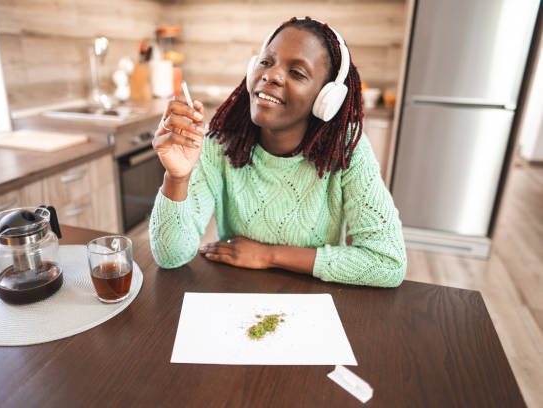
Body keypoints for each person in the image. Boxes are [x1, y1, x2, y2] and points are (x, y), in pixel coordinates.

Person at [149, 17, 407, 287]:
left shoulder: (346, 149)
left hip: (312, 300)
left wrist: (269, 255)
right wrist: (176, 178)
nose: (270, 75)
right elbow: (170, 256)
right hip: (236, 294)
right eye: (266, 62)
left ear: (325, 99)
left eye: (297, 73)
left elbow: (387, 261)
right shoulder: (221, 142)